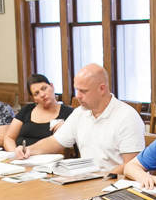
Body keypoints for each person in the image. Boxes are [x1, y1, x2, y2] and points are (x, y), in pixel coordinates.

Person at [15, 63, 145, 175]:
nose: (78, 96)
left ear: (102, 89)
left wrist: (103, 178)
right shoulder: (80, 113)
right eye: (77, 90)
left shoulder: (127, 117)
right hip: (88, 180)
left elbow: (132, 165)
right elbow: (55, 142)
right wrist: (28, 150)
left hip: (115, 185)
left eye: (83, 91)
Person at [3, 74, 74, 152]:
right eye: (36, 93)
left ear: (52, 86)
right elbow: (9, 137)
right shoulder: (27, 110)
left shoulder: (70, 113)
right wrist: (15, 153)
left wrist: (66, 128)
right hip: (20, 157)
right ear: (34, 99)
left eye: (44, 88)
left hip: (49, 159)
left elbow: (74, 143)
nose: (42, 95)